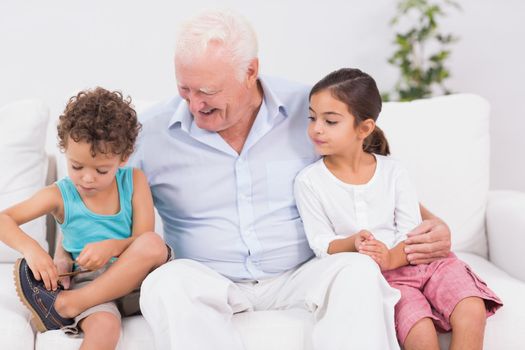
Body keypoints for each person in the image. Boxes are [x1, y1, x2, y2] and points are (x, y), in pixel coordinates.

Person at [130, 9, 454, 350]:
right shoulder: (149, 133)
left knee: (358, 271)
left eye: (207, 91)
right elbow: (99, 196)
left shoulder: (312, 110)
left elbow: (366, 170)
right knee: (164, 284)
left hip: (304, 272)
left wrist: (433, 224)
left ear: (250, 71)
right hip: (208, 276)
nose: (195, 105)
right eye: (185, 89)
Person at [294, 67, 503, 350]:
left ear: (364, 128)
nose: (316, 128)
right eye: (312, 117)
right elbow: (321, 242)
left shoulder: (394, 172)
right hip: (383, 280)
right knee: (420, 331)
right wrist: (353, 243)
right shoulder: (310, 181)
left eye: (330, 121)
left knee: (471, 308)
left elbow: (410, 228)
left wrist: (392, 256)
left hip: (421, 261)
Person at [1, 88, 170, 350]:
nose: (87, 178)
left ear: (123, 157)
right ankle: (72, 303)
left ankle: (67, 304)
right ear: (65, 151)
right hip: (91, 285)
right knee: (105, 330)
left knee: (153, 244)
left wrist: (112, 247)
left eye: (102, 170)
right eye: (76, 166)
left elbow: (143, 239)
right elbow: (4, 219)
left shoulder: (134, 180)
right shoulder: (61, 194)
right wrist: (33, 250)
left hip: (137, 279)